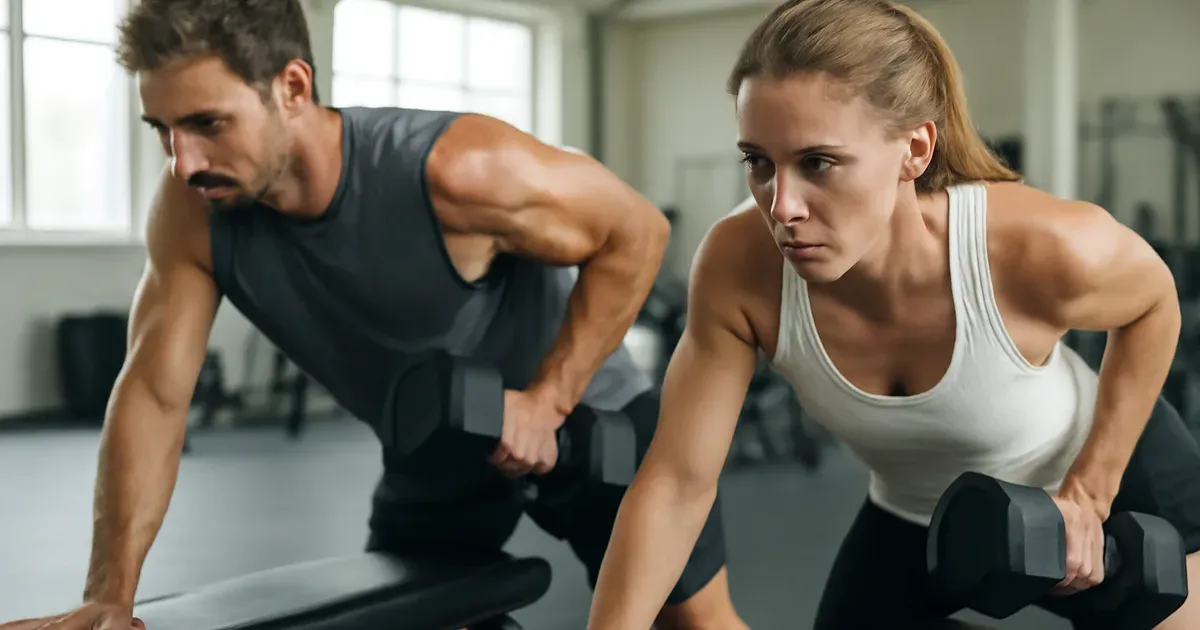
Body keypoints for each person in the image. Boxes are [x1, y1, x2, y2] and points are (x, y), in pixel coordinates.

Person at [0, 2, 747, 630]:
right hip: (437, 445)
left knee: (691, 622)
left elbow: (636, 230)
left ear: (292, 86)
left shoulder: (453, 168)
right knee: (409, 616)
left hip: (593, 420)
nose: (184, 161)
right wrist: (109, 594)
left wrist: (548, 400)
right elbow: (155, 394)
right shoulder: (193, 212)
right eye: (160, 130)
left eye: (206, 123)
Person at [586, 0, 1200, 628]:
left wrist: (1091, 489)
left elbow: (1153, 302)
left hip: (1110, 481)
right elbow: (676, 486)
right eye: (759, 162)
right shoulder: (738, 267)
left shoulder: (1034, 249)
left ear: (915, 149)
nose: (782, 206)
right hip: (922, 514)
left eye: (818, 162)